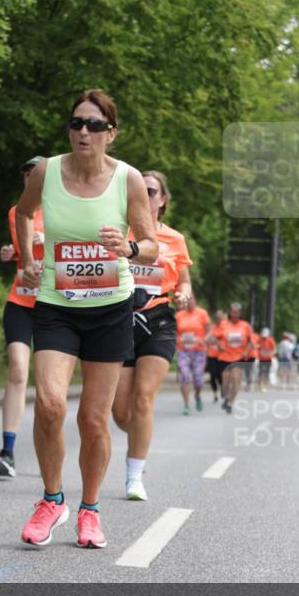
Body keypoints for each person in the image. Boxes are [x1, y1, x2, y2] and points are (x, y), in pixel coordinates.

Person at [15, 89, 157, 548]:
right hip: (58, 305)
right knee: (51, 404)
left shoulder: (129, 180)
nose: (83, 131)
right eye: (77, 122)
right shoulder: (47, 171)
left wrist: (129, 248)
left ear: (110, 134)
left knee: (93, 420)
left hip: (110, 309)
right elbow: (22, 213)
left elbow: (152, 244)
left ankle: (90, 511)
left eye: (94, 125)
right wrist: (27, 261)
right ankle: (52, 499)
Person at [112, 171, 192, 500]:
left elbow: (184, 280)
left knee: (144, 398)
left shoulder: (174, 239)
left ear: (162, 200)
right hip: (119, 320)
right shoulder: (120, 233)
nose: (144, 195)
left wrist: (185, 293)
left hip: (158, 321)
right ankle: (140, 441)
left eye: (150, 190)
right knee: (120, 412)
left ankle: (134, 476)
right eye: (139, 189)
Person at [0, 156, 45, 478]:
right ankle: (7, 450)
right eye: (26, 174)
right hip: (20, 300)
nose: (29, 178)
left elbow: (85, 247)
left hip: (54, 304)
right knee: (17, 370)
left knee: (50, 386)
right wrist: (11, 253)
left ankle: (48, 447)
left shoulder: (64, 210)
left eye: (35, 173)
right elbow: (22, 254)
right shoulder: (15, 212)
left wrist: (48, 241)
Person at [175, 294, 210, 417]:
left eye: (192, 300)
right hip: (183, 350)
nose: (190, 302)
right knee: (184, 375)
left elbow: (209, 331)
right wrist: (176, 341)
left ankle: (197, 395)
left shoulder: (202, 313)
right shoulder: (179, 315)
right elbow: (174, 331)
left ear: (195, 301)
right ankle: (186, 404)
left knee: (198, 378)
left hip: (198, 350)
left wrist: (204, 339)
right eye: (188, 300)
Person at [214, 302, 253, 414]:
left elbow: (250, 342)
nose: (235, 314)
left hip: (239, 357)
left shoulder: (245, 325)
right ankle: (226, 396)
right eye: (233, 312)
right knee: (225, 383)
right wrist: (219, 345)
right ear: (230, 312)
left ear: (240, 313)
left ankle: (230, 402)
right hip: (225, 356)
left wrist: (246, 351)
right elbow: (216, 338)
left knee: (235, 379)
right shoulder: (223, 324)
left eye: (237, 312)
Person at [206, 310, 225, 402]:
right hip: (211, 355)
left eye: (220, 317)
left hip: (222, 355)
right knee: (213, 375)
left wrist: (217, 339)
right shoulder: (212, 327)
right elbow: (207, 339)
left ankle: (222, 388)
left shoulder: (225, 327)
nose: (218, 318)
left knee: (220, 375)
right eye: (216, 317)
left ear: (222, 317)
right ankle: (215, 394)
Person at [257, 328, 276, 392]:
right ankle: (259, 385)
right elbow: (257, 347)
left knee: (266, 373)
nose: (264, 338)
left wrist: (270, 354)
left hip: (268, 359)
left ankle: (264, 385)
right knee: (260, 372)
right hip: (261, 359)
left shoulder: (270, 340)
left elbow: (274, 349)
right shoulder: (259, 339)